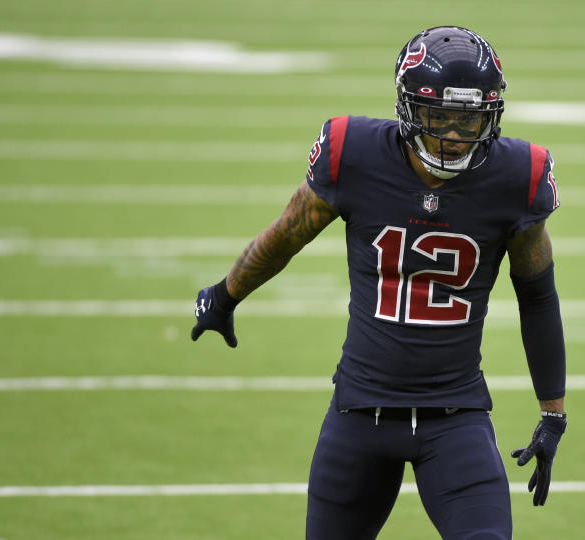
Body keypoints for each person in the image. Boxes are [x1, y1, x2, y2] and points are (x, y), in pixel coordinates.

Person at [191, 25, 566, 540]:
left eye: (469, 118)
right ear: (409, 108)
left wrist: (553, 414)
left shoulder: (515, 176)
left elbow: (537, 295)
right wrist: (227, 292)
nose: (455, 135)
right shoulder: (356, 154)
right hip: (359, 413)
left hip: (456, 417)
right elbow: (288, 233)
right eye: (441, 116)